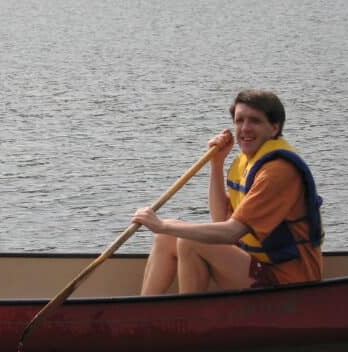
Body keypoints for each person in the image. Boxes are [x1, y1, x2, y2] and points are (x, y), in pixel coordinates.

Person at [132, 88, 323, 294]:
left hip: (288, 281)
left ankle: (190, 321)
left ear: (274, 128)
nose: (245, 128)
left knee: (188, 240)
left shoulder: (277, 171)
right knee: (165, 239)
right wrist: (217, 163)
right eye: (239, 121)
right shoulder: (247, 162)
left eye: (255, 121)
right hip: (255, 265)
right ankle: (141, 314)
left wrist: (162, 225)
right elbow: (220, 219)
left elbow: (231, 232)